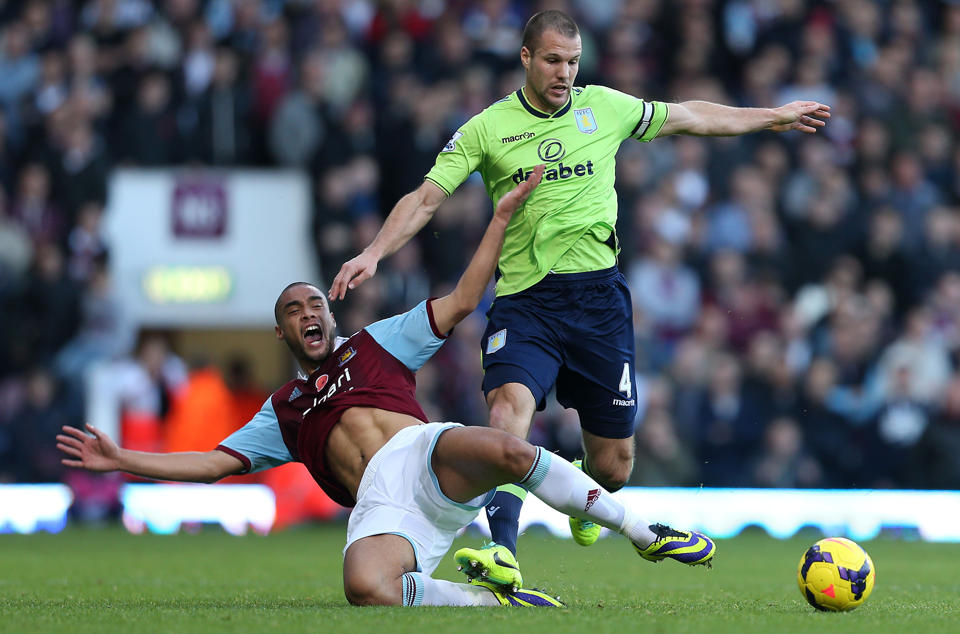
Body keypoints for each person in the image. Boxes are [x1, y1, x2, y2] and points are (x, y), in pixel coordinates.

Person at [57, 166, 715, 608]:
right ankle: (485, 603)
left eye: (315, 303)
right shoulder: (283, 411)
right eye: (293, 310)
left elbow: (460, 300)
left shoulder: (376, 342)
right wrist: (120, 463)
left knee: (507, 447)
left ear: (331, 316)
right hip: (384, 508)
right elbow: (209, 465)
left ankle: (642, 530)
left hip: (426, 455)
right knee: (364, 587)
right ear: (282, 336)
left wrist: (501, 219)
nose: (308, 312)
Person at [328, 9, 829, 584]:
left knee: (614, 469)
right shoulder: (487, 129)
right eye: (552, 61)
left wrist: (773, 117)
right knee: (505, 413)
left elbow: (691, 116)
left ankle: (579, 482)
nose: (564, 72)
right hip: (526, 302)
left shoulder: (605, 108)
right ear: (525, 58)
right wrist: (373, 252)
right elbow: (425, 199)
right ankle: (503, 552)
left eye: (572, 62)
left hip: (600, 304)